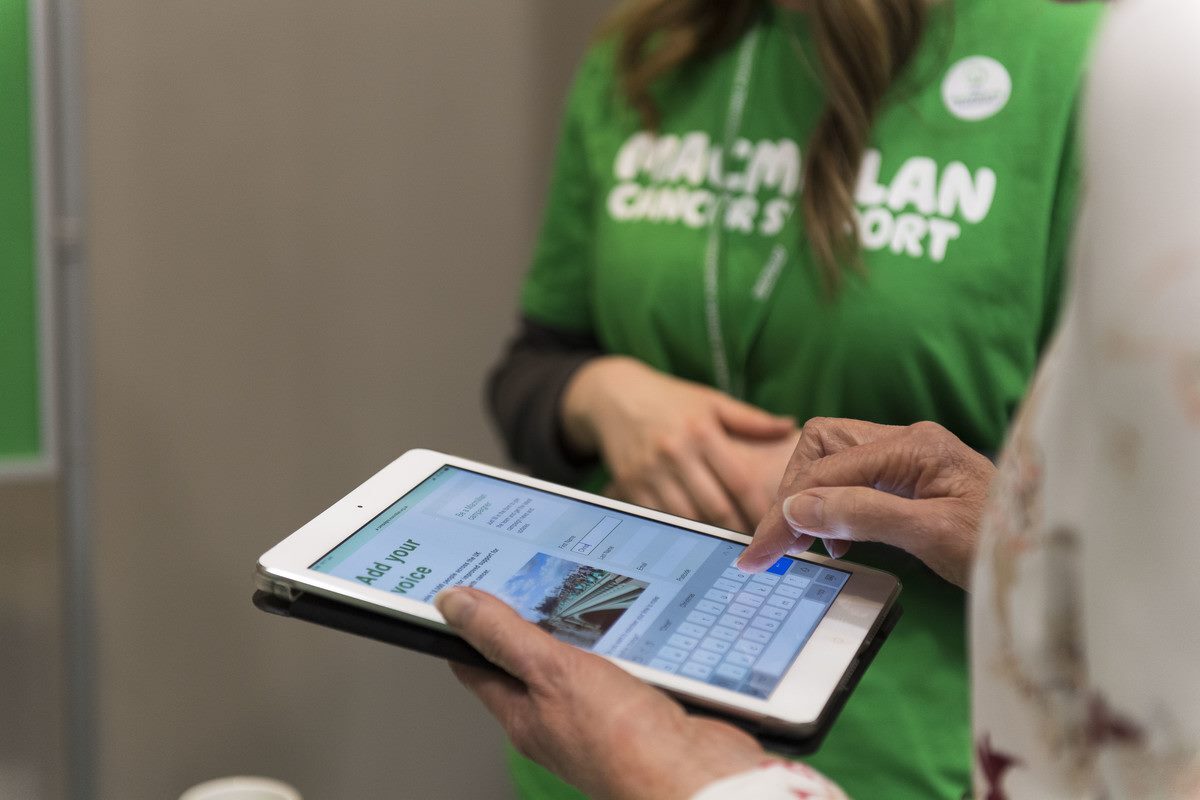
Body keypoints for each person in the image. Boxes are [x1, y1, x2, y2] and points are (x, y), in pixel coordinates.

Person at [455, 0, 1200, 795]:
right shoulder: (650, 51)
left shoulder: (1101, 67)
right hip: (599, 729)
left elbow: (1144, 513)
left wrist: (944, 501)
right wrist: (607, 397)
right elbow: (534, 365)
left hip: (902, 755)